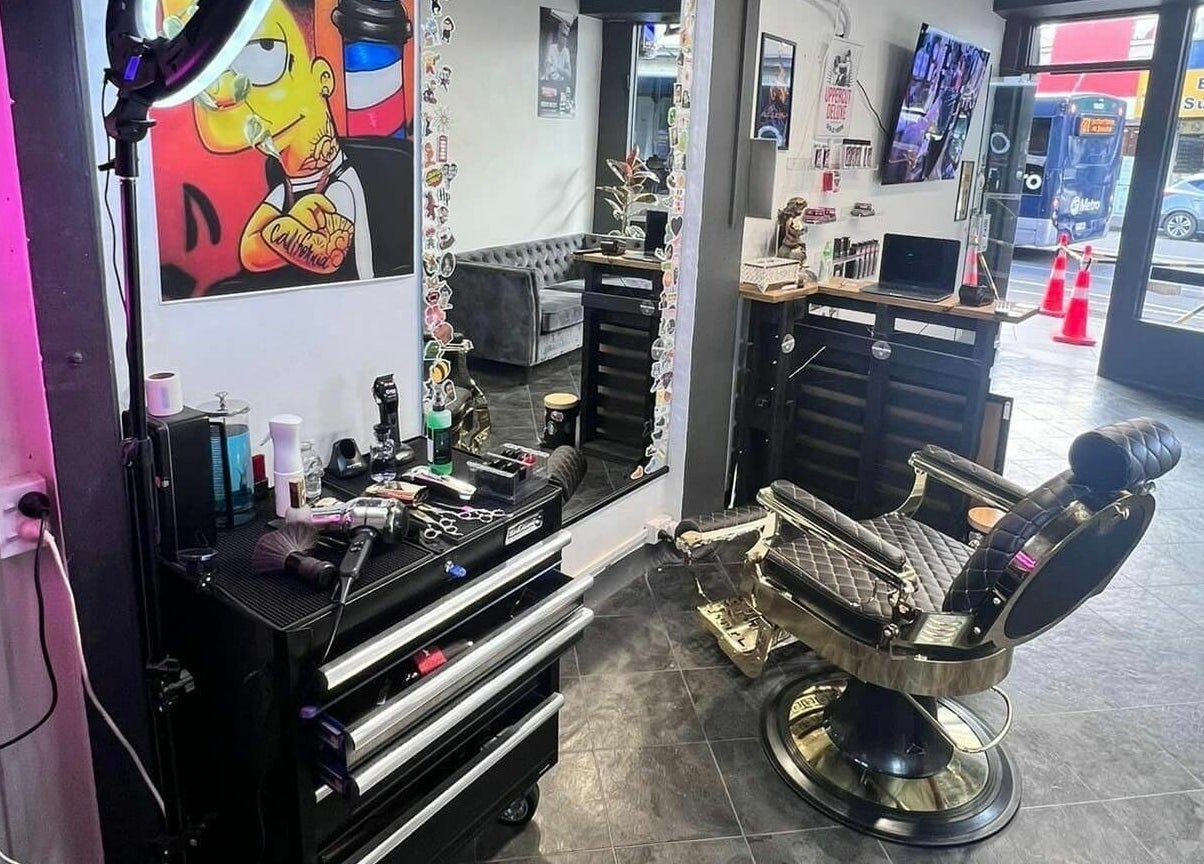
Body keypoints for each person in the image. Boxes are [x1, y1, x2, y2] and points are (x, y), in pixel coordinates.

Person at [170, 0, 374, 282]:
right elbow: (249, 253)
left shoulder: (342, 184)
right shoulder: (286, 187)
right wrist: (289, 224)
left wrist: (273, 229)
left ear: (322, 79)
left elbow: (327, 254)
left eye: (266, 49)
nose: (231, 93)